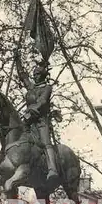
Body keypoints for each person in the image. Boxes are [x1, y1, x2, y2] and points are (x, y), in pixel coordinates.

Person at [15, 51, 59, 186]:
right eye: (34, 75)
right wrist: (17, 60)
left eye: (37, 75)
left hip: (41, 122)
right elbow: (23, 77)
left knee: (46, 143)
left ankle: (52, 169)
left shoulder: (47, 88)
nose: (34, 77)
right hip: (28, 122)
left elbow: (42, 102)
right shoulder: (32, 87)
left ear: (43, 76)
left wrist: (32, 109)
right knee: (15, 139)